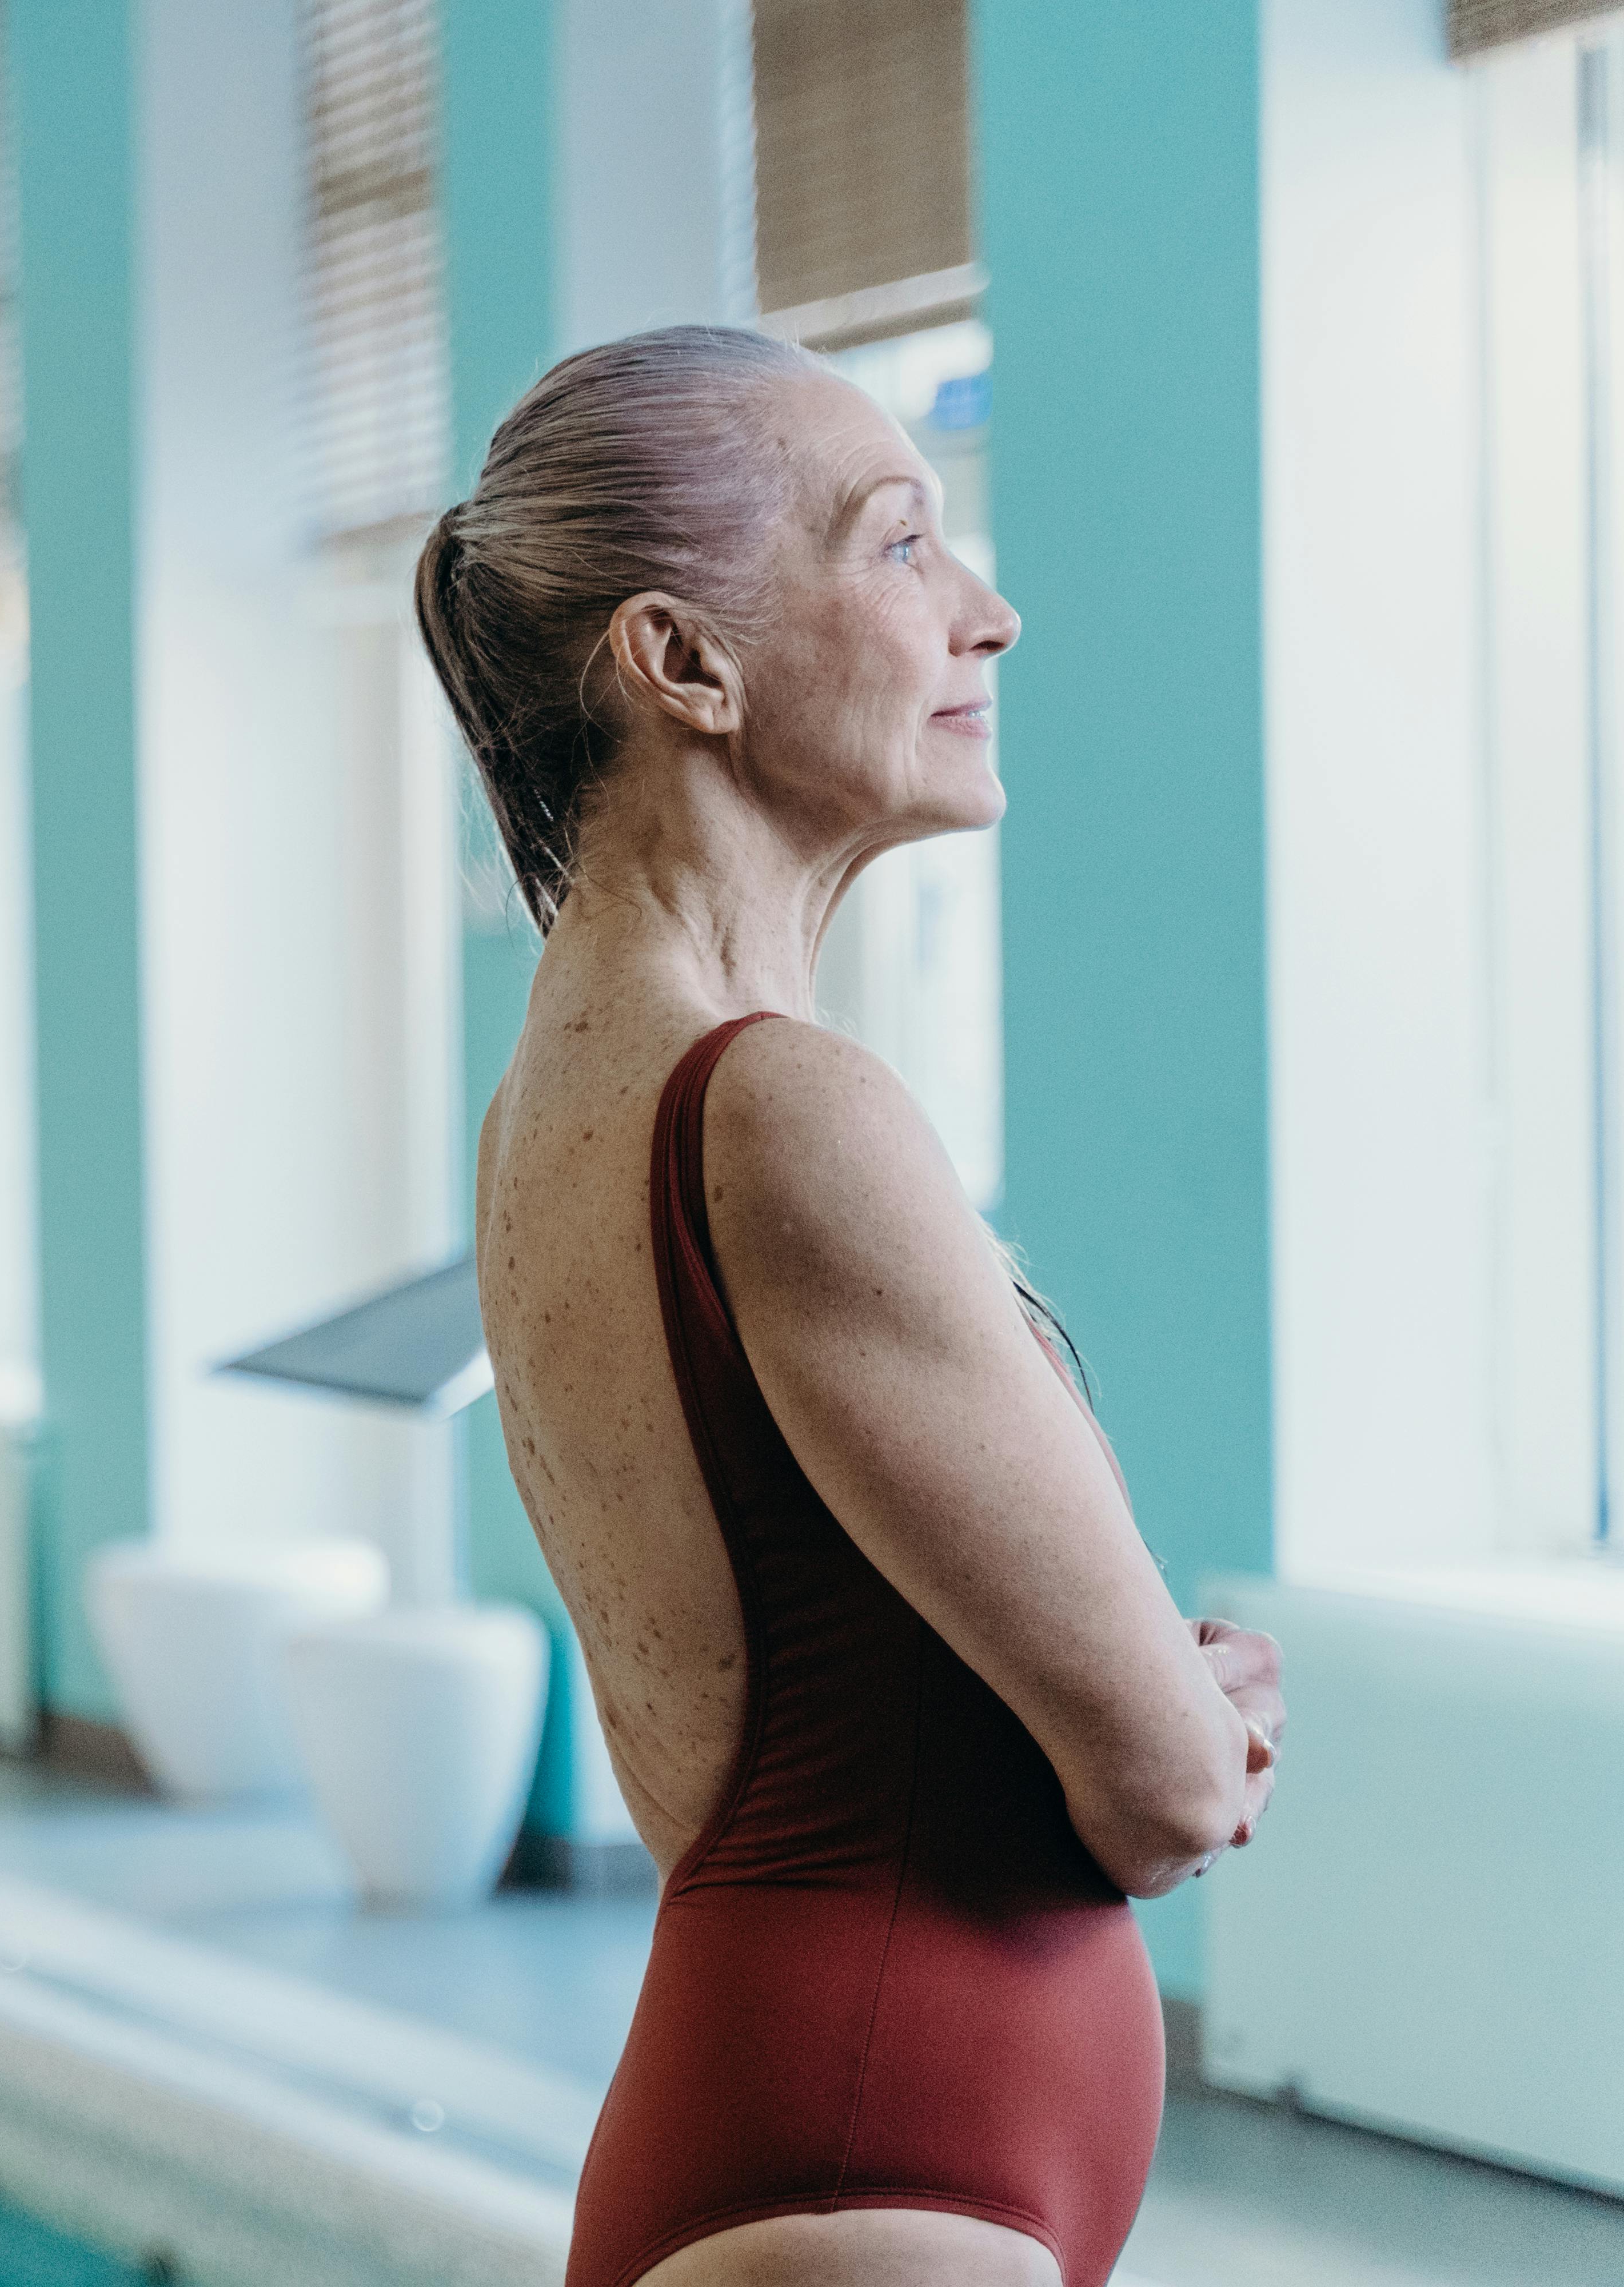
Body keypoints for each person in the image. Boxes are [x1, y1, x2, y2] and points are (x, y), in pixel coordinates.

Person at [413, 326, 1286, 2287]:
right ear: (684, 664)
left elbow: (745, 1718)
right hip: (877, 2184)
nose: (989, 615)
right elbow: (1152, 1796)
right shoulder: (778, 1107)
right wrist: (1185, 1705)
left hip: (819, 2142)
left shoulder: (551, 1112)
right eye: (901, 548)